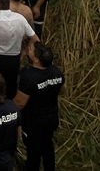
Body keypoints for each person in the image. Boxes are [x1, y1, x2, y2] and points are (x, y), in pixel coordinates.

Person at [15, 42, 65, 171]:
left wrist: (8, 108)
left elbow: (20, 103)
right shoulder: (57, 72)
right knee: (47, 145)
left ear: (36, 59)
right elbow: (59, 90)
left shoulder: (29, 76)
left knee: (33, 151)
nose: (29, 48)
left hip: (34, 122)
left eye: (31, 49)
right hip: (51, 117)